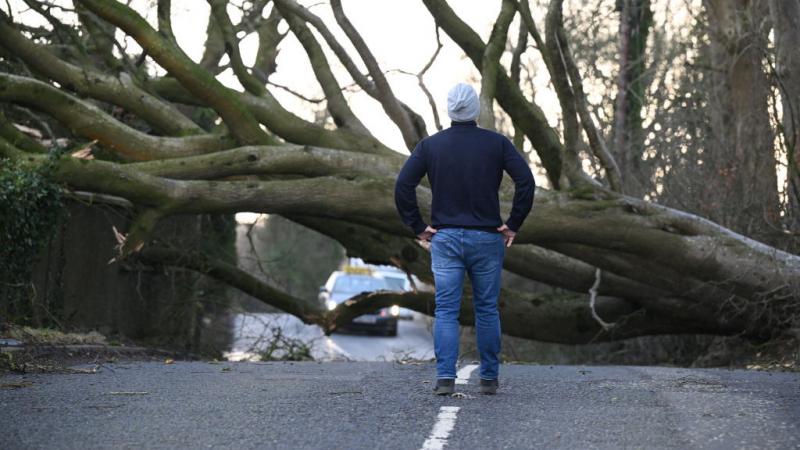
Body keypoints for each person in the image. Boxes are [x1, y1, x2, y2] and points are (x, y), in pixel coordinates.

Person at [394, 83, 535, 395]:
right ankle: (488, 379)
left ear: (449, 110)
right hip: (487, 239)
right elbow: (526, 181)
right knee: (486, 308)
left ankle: (445, 378)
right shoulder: (496, 144)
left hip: (444, 239)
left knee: (446, 309)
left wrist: (418, 226)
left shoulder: (431, 146)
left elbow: (403, 185)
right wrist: (513, 224)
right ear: (476, 110)